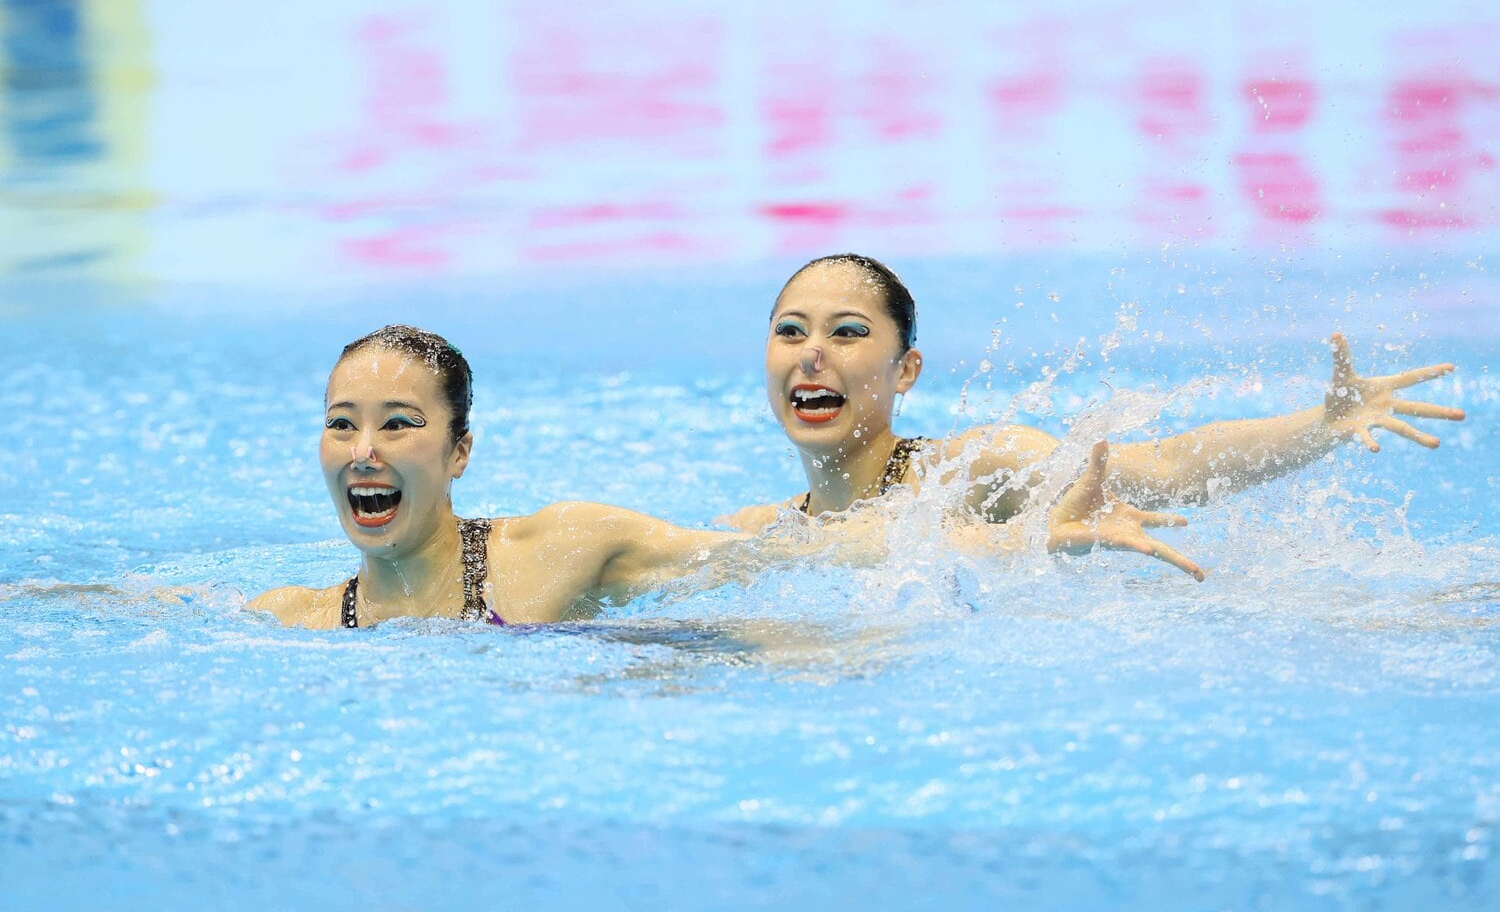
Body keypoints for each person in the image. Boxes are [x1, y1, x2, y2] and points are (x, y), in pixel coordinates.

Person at [249, 324, 1204, 630]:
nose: (365, 451)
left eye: (399, 425)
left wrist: (1028, 535)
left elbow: (804, 550)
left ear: (459, 452)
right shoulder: (296, 619)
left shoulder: (558, 550)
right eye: (342, 426)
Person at [724, 253, 1465, 539]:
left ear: (906, 370)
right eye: (790, 332)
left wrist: (1322, 424)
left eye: (847, 332)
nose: (812, 353)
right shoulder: (757, 531)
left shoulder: (971, 470)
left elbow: (1169, 467)